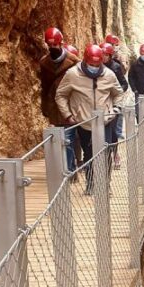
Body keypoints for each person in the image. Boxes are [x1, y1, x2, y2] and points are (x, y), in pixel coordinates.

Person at [56, 43, 124, 195]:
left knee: (105, 154)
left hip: (105, 121)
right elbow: (60, 95)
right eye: (91, 64)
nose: (94, 67)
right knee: (88, 154)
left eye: (97, 64)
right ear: (85, 60)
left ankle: (105, 185)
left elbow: (118, 93)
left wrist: (115, 110)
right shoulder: (73, 74)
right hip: (84, 122)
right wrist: (68, 115)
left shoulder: (108, 75)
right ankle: (91, 184)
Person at [39, 27, 80, 175]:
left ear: (61, 43)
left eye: (54, 45)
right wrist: (45, 106)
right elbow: (44, 87)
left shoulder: (74, 62)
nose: (52, 48)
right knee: (59, 139)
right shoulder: (44, 63)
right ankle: (68, 169)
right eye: (49, 45)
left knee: (68, 138)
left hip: (70, 106)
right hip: (54, 107)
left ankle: (70, 170)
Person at [102, 42, 128, 169]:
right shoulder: (96, 67)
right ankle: (104, 158)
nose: (104, 57)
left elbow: (124, 84)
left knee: (112, 132)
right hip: (101, 104)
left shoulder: (116, 67)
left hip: (113, 104)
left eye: (106, 55)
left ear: (110, 55)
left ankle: (115, 154)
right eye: (102, 54)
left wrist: (116, 93)